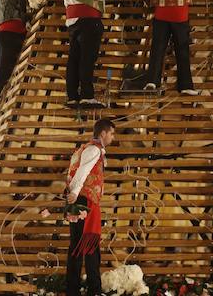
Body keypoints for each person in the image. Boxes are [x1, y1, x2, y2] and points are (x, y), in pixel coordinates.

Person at [63, 0, 118, 107]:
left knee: (74, 60)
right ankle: (87, 96)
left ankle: (72, 96)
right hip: (88, 20)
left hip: (73, 21)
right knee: (87, 59)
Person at [65, 118, 115, 296]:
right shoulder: (93, 149)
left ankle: (77, 289)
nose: (112, 137)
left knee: (79, 246)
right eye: (111, 133)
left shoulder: (87, 148)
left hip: (83, 200)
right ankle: (91, 289)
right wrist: (75, 192)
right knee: (85, 246)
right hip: (84, 201)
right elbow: (82, 171)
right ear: (103, 133)